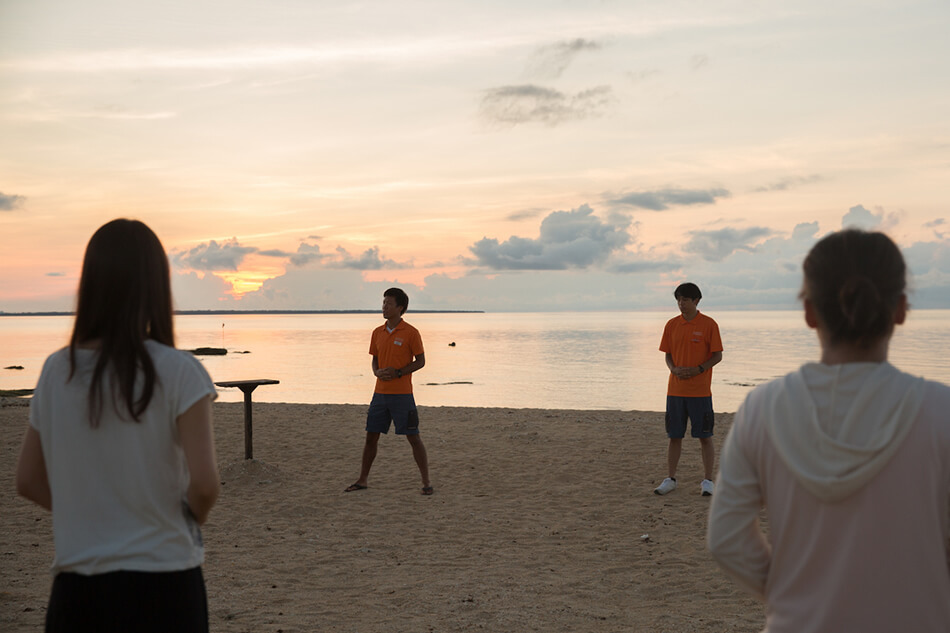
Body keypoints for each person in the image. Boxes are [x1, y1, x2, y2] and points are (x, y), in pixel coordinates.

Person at [708, 229, 950, 632]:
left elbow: (726, 539)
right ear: (901, 309)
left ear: (809, 313)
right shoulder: (939, 411)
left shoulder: (763, 408)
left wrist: (793, 594)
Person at [15, 219, 220, 633]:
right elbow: (205, 486)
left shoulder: (58, 370)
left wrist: (93, 512)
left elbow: (28, 480)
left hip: (78, 592)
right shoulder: (180, 371)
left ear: (90, 284)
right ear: (156, 286)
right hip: (166, 584)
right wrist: (171, 520)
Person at [345, 287, 432, 495]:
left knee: (413, 437)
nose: (384, 307)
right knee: (371, 437)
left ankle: (427, 482)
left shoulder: (411, 332)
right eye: (383, 302)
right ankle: (362, 479)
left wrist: (399, 372)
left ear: (400, 308)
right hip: (379, 395)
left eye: (389, 303)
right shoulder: (377, 332)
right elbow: (374, 359)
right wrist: (376, 373)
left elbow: (421, 362)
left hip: (402, 395)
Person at [655, 282, 723, 496]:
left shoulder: (709, 324)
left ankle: (708, 481)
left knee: (705, 436)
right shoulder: (672, 325)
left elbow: (717, 355)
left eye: (685, 299)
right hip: (675, 390)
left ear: (696, 301)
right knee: (674, 436)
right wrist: (673, 369)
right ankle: (671, 478)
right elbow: (667, 354)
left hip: (700, 391)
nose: (681, 304)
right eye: (678, 300)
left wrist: (699, 369)